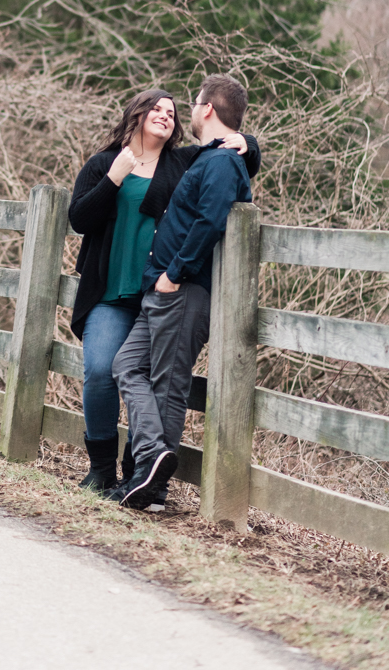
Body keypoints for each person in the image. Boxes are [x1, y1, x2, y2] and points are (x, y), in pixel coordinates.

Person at [68, 87, 261, 497]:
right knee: (103, 370)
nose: (165, 115)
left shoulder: (181, 161)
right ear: (135, 114)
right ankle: (101, 469)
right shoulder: (103, 162)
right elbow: (80, 219)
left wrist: (250, 142)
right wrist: (114, 177)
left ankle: (138, 473)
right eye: (155, 108)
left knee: (159, 381)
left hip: (159, 291)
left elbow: (230, 162)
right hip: (110, 293)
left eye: (172, 112)